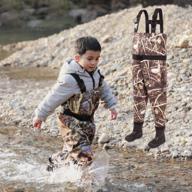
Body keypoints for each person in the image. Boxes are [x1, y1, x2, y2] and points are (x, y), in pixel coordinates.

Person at [33, 36, 117, 171]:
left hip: (88, 123)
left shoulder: (96, 74)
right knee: (85, 154)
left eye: (97, 58)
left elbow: (104, 89)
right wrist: (40, 116)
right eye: (89, 59)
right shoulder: (70, 79)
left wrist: (111, 105)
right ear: (77, 58)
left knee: (73, 154)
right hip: (69, 121)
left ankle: (55, 162)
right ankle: (85, 184)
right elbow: (53, 97)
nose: (94, 62)